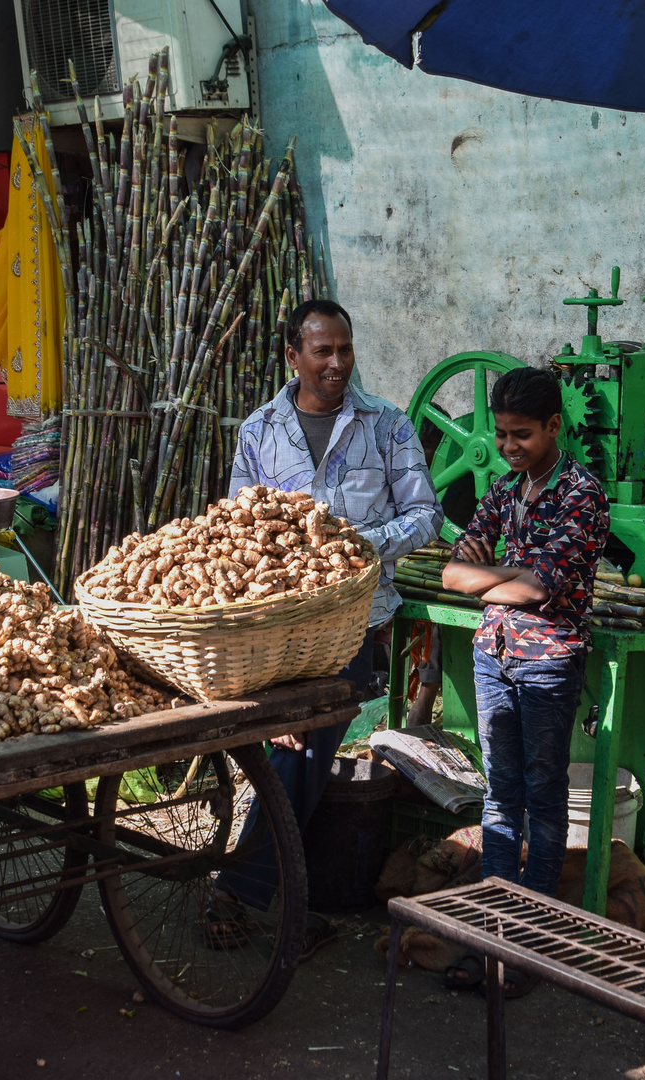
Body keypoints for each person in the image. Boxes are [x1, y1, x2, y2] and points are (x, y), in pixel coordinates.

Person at [217, 297, 442, 956]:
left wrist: (353, 545)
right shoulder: (260, 431)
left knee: (307, 750)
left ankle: (252, 891)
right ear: (294, 356)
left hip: (354, 621)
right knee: (292, 750)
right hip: (278, 621)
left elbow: (424, 513)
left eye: (345, 349)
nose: (337, 362)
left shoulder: (386, 425)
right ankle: (257, 892)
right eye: (323, 351)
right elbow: (238, 525)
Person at [440, 365, 609, 996]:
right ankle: (489, 938)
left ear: (555, 426)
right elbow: (453, 573)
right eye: (503, 434)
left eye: (522, 435)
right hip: (493, 655)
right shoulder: (505, 490)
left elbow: (543, 587)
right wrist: (506, 581)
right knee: (499, 798)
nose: (509, 447)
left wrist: (501, 579)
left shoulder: (582, 495)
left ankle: (532, 950)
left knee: (543, 799)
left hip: (547, 665)